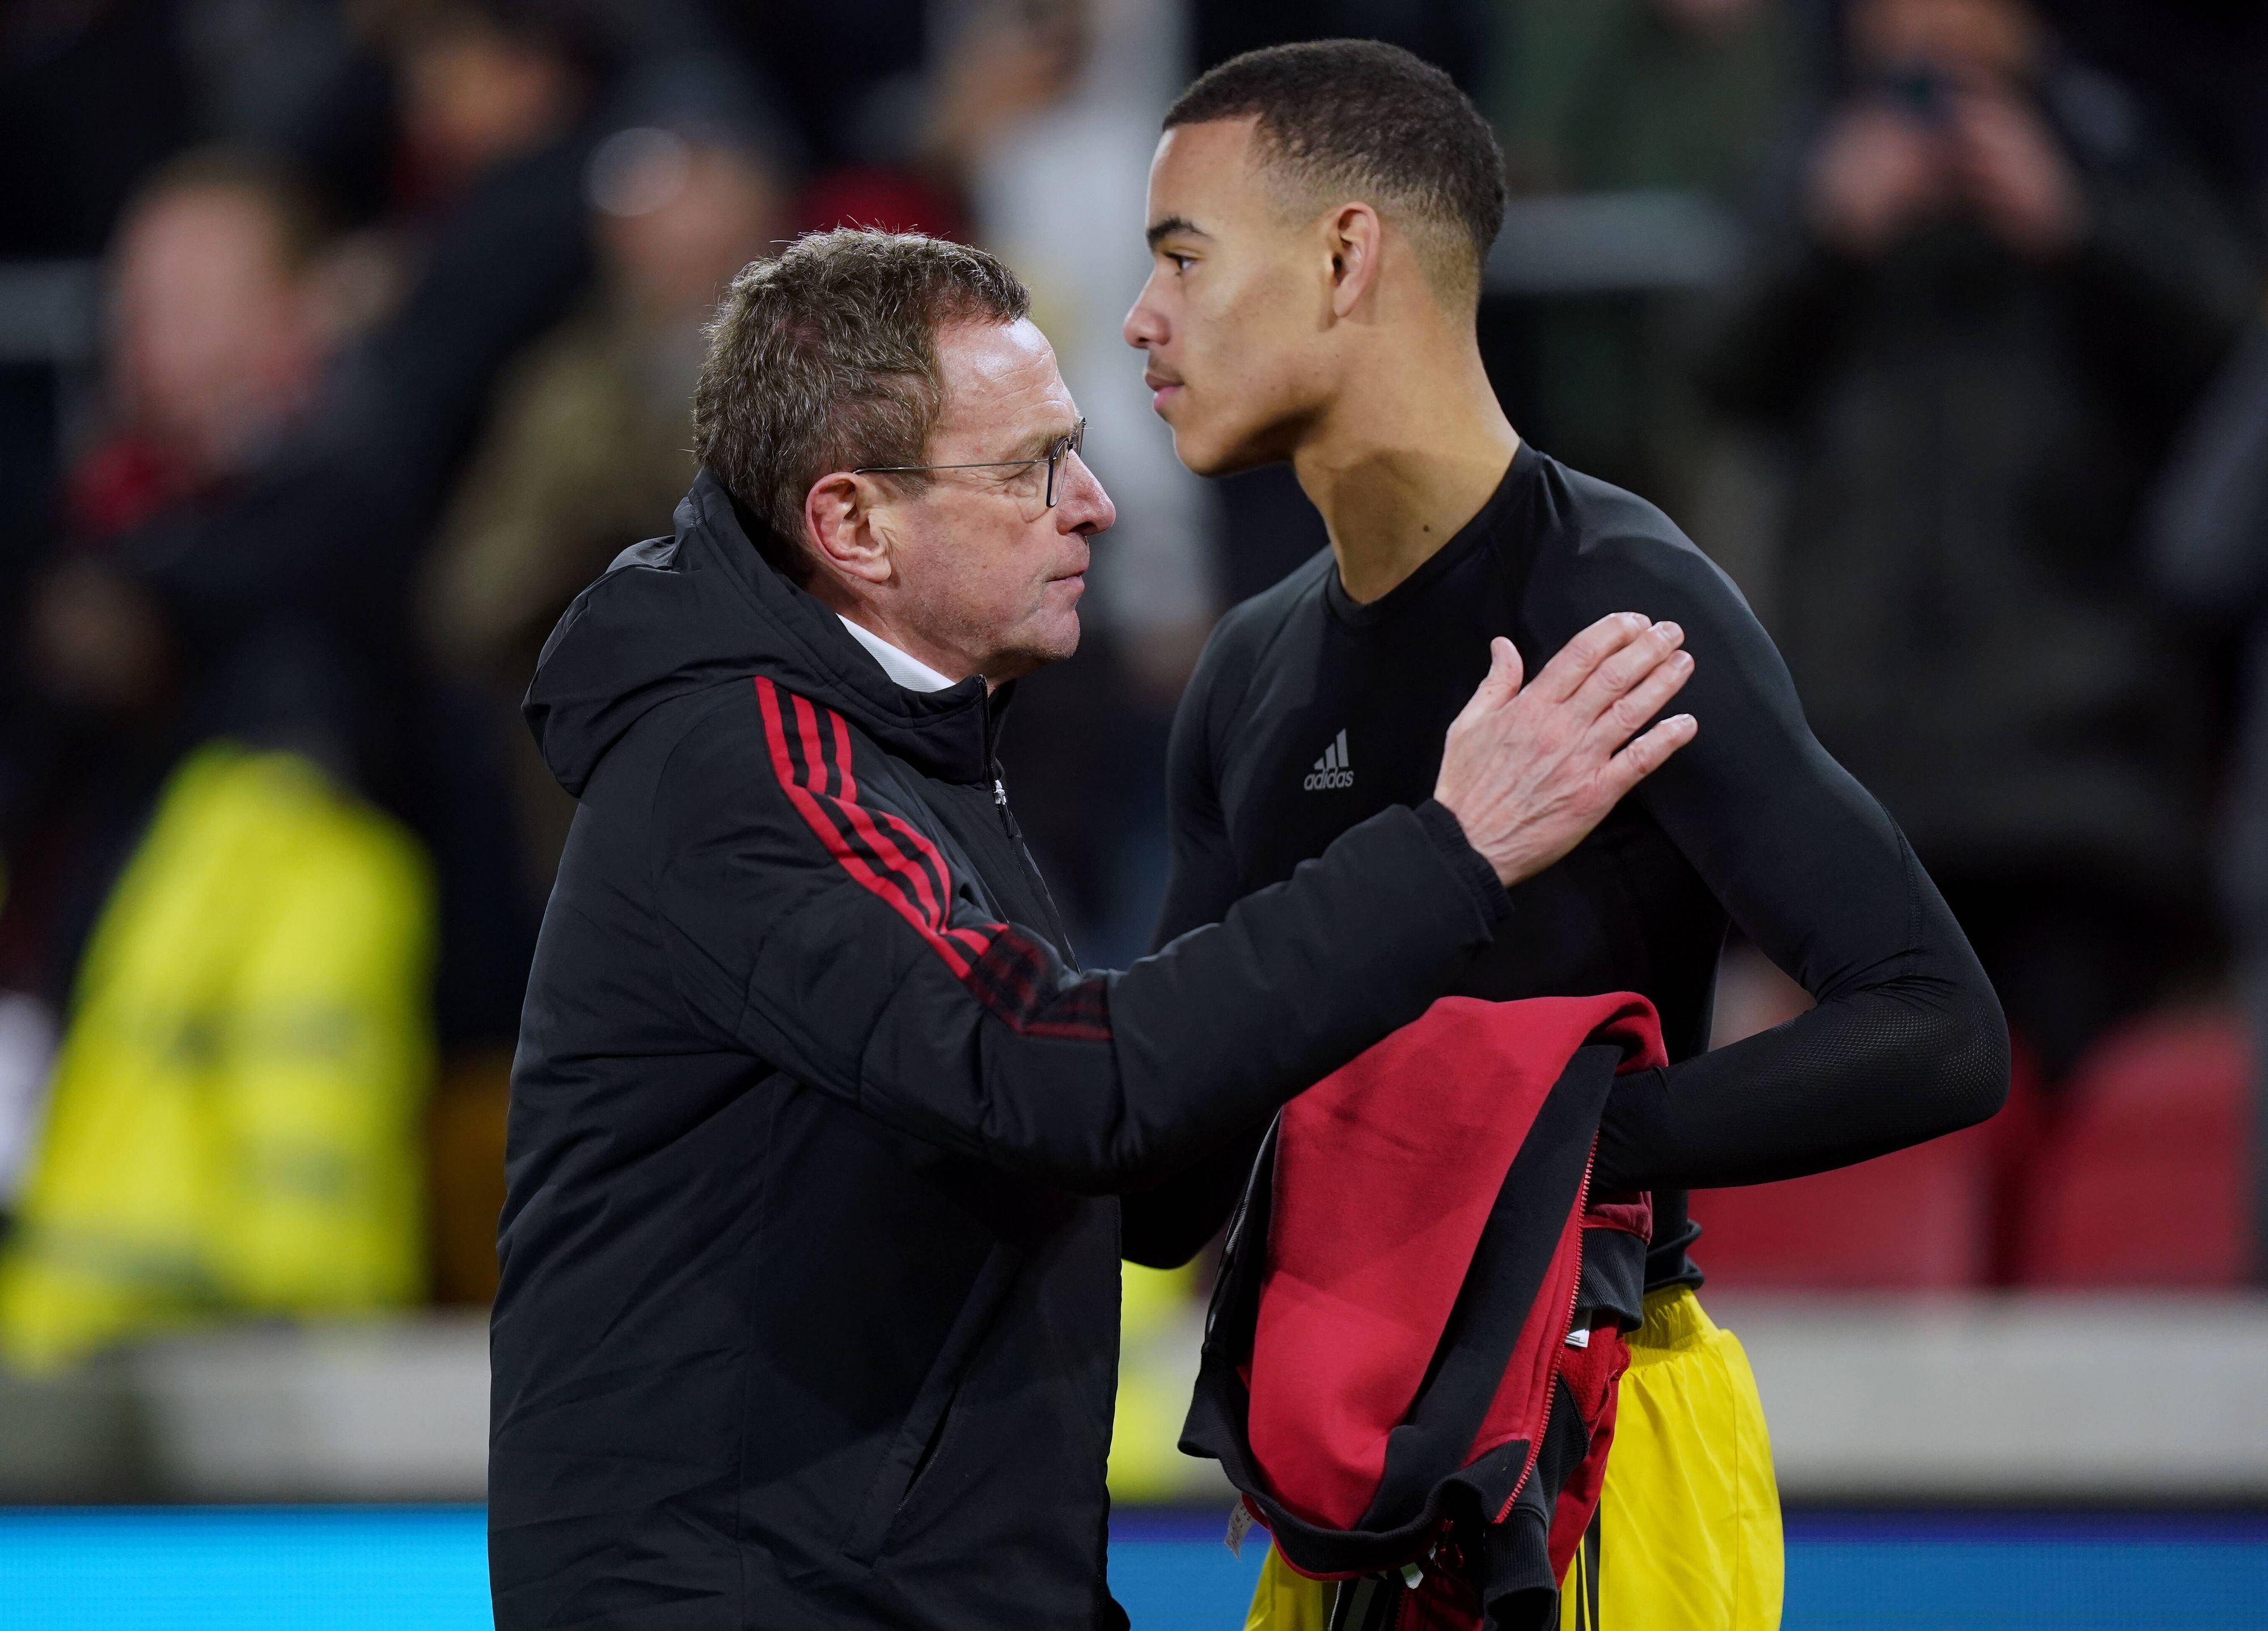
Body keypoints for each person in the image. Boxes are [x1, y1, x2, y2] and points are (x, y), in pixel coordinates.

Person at [488, 228, 1698, 1630]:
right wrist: (1449, 852)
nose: (1096, 504)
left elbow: (1122, 1157)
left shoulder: (903, 746)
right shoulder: (746, 770)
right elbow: (1064, 1081)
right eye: (1032, 467)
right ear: (852, 525)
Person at [1119, 41, 2010, 1630]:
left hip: (1607, 1457)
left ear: (1344, 256)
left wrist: (1536, 1154)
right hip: (1338, 1493)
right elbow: (1162, 1189)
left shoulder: (1621, 600)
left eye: (1181, 256)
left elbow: (1936, 1024)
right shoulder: (1247, 673)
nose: (1143, 321)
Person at [1694, 0, 2256, 1086]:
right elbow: (1714, 364)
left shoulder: (2115, 146)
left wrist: (2083, 231)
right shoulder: (1815, 156)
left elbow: (2229, 381)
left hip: (2080, 772)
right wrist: (1827, 236)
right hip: (1865, 764)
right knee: (1871, 1136)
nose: (1917, 24)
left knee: (2076, 1147)